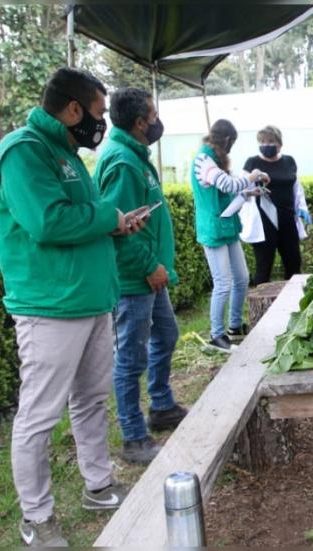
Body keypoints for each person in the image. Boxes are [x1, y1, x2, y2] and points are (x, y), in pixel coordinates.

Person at [0, 67, 141, 546]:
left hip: (92, 299)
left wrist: (115, 225)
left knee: (92, 400)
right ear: (73, 109)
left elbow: (85, 218)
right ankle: (36, 516)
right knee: (39, 415)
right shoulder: (23, 151)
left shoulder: (68, 155)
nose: (101, 124)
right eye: (98, 113)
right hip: (50, 306)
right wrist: (106, 216)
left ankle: (97, 485)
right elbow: (47, 222)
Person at [95, 86, 188, 466]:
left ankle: (162, 406)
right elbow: (118, 227)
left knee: (166, 334)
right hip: (136, 278)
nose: (156, 122)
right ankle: (134, 437)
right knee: (130, 358)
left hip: (151, 274)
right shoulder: (122, 163)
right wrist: (149, 267)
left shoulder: (134, 156)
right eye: (152, 115)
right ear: (138, 123)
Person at [191, 119, 267, 352]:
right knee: (223, 283)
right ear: (226, 140)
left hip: (227, 226)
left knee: (242, 278)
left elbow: (229, 190)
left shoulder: (215, 159)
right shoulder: (204, 161)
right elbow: (226, 185)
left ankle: (234, 326)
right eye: (231, 143)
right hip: (213, 229)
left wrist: (248, 192)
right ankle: (216, 335)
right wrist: (252, 176)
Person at [242, 125, 311, 285]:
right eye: (262, 141)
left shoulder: (289, 161)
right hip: (264, 222)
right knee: (264, 266)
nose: (266, 145)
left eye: (270, 141)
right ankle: (261, 307)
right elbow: (243, 188)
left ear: (280, 144)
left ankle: (293, 302)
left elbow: (296, 187)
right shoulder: (253, 162)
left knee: (293, 263)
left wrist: (302, 208)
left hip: (287, 219)